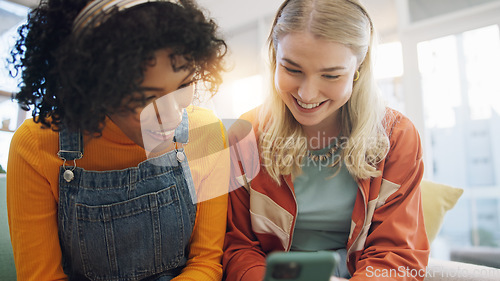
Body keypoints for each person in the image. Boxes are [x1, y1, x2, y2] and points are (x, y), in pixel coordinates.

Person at [7, 0, 229, 280]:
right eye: (146, 98)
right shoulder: (35, 145)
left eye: (183, 86)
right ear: (94, 86)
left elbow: (206, 263)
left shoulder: (206, 132)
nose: (172, 117)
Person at [222, 0, 430, 280]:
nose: (307, 95)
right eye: (292, 70)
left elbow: (399, 254)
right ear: (274, 59)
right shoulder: (245, 136)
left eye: (331, 75)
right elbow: (239, 246)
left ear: (358, 71)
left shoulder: (397, 137)